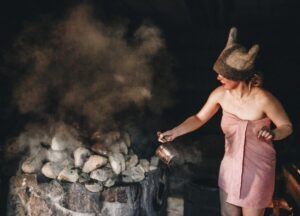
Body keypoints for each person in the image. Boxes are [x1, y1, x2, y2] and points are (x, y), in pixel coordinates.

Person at [157, 27, 293, 216]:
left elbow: (286, 126)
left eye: (224, 74)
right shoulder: (220, 95)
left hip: (258, 169)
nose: (218, 77)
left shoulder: (264, 99)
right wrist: (174, 132)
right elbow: (198, 118)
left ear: (239, 76)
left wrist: (274, 133)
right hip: (229, 167)